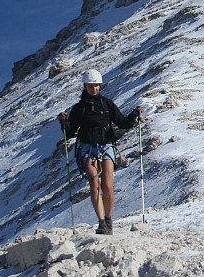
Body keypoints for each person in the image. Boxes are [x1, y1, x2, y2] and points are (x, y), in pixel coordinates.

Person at [57, 69, 141, 235]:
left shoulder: (107, 104)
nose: (94, 89)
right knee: (94, 182)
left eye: (96, 86)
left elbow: (122, 122)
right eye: (91, 86)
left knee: (107, 186)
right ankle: (102, 222)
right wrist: (64, 123)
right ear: (85, 86)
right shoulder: (79, 108)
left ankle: (108, 219)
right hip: (87, 147)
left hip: (106, 145)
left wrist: (133, 115)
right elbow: (70, 132)